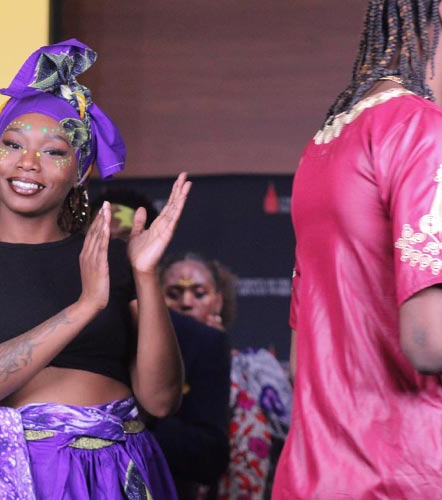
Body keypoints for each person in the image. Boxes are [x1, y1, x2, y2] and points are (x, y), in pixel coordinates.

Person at [0, 39, 189, 499]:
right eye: (13, 143)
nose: (28, 163)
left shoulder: (114, 261)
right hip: (2, 476)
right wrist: (86, 307)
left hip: (112, 473)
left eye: (54, 151)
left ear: (80, 170)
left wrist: (144, 275)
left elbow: (162, 400)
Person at [274, 2, 442, 498]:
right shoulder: (421, 129)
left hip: (317, 473)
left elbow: (300, 362)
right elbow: (429, 341)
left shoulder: (325, 143)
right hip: (409, 472)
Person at [91, 188, 232, 500]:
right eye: (98, 236)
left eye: (124, 239)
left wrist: (136, 417)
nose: (111, 251)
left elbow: (210, 457)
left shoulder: (199, 340)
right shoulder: (61, 322)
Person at [161, 253, 292, 500]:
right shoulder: (142, 364)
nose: (186, 303)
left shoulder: (255, 368)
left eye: (199, 293)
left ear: (218, 302)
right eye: (173, 294)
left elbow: (287, 442)